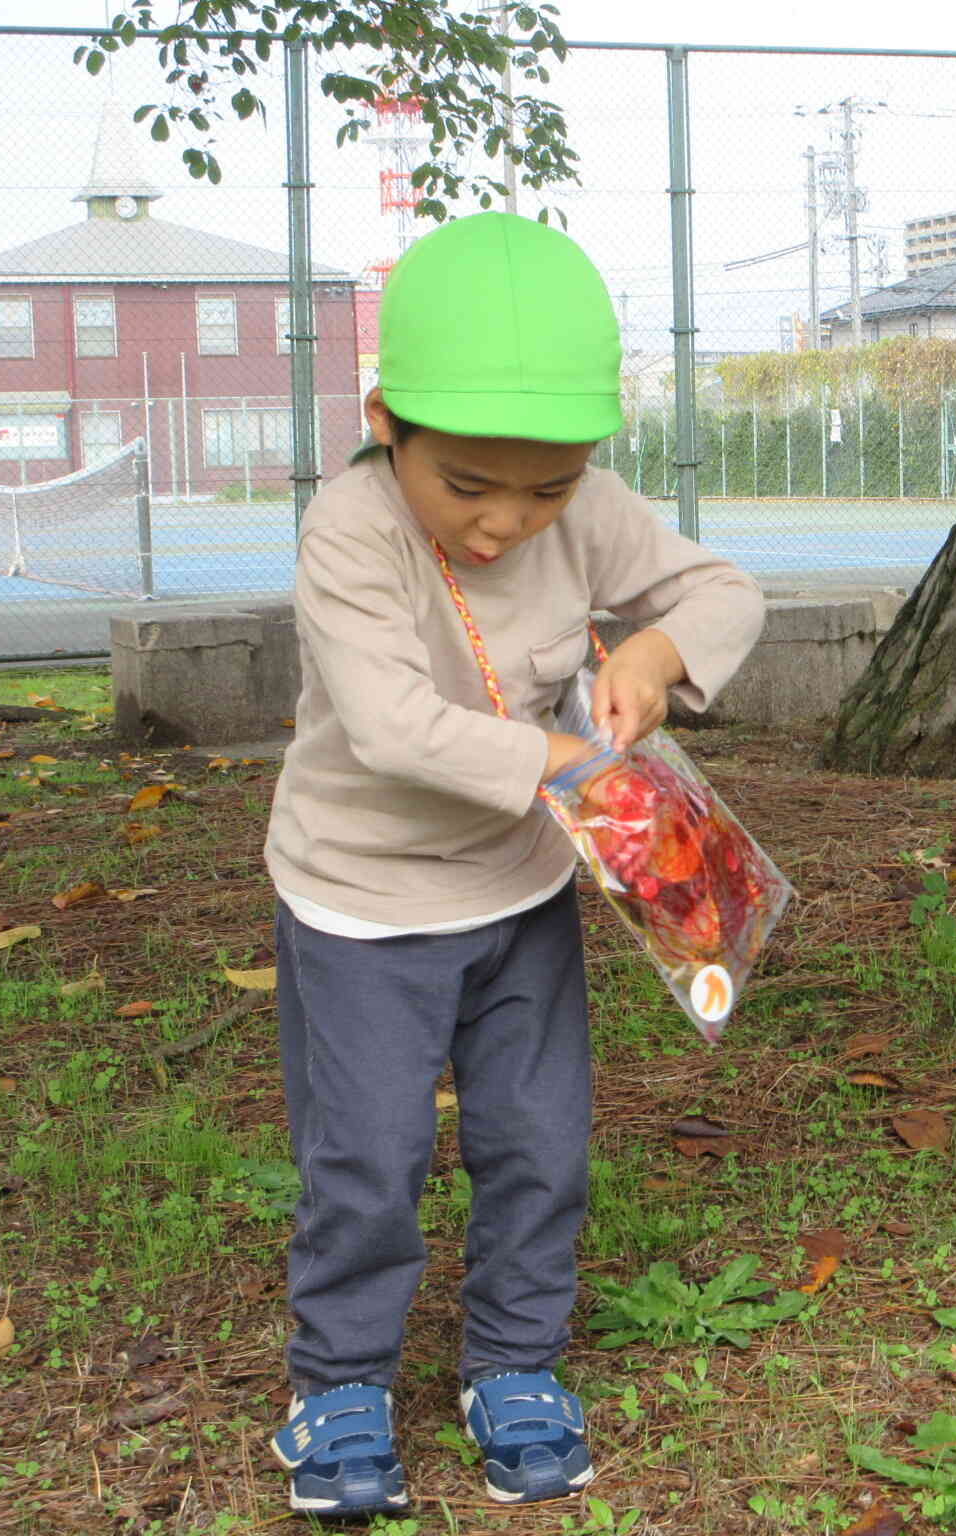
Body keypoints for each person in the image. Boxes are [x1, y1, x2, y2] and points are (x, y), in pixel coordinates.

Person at [261, 212, 764, 1515]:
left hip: (523, 894)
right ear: (387, 424)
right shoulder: (352, 531)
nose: (504, 522)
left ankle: (516, 1364)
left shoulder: (582, 510)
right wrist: (569, 769)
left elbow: (722, 593)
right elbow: (389, 727)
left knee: (540, 1141)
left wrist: (656, 654)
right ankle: (342, 1383)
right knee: (367, 1154)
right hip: (362, 902)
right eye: (469, 483)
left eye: (545, 488)